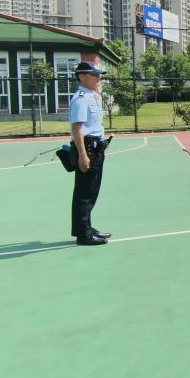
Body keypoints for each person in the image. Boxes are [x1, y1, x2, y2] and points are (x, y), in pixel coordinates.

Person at [69, 61, 111, 246]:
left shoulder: (90, 96)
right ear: (81, 76)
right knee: (85, 194)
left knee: (91, 191)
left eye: (98, 74)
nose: (98, 77)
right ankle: (83, 235)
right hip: (88, 149)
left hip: (95, 148)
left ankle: (86, 228)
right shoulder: (81, 99)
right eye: (94, 75)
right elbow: (77, 128)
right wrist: (83, 155)